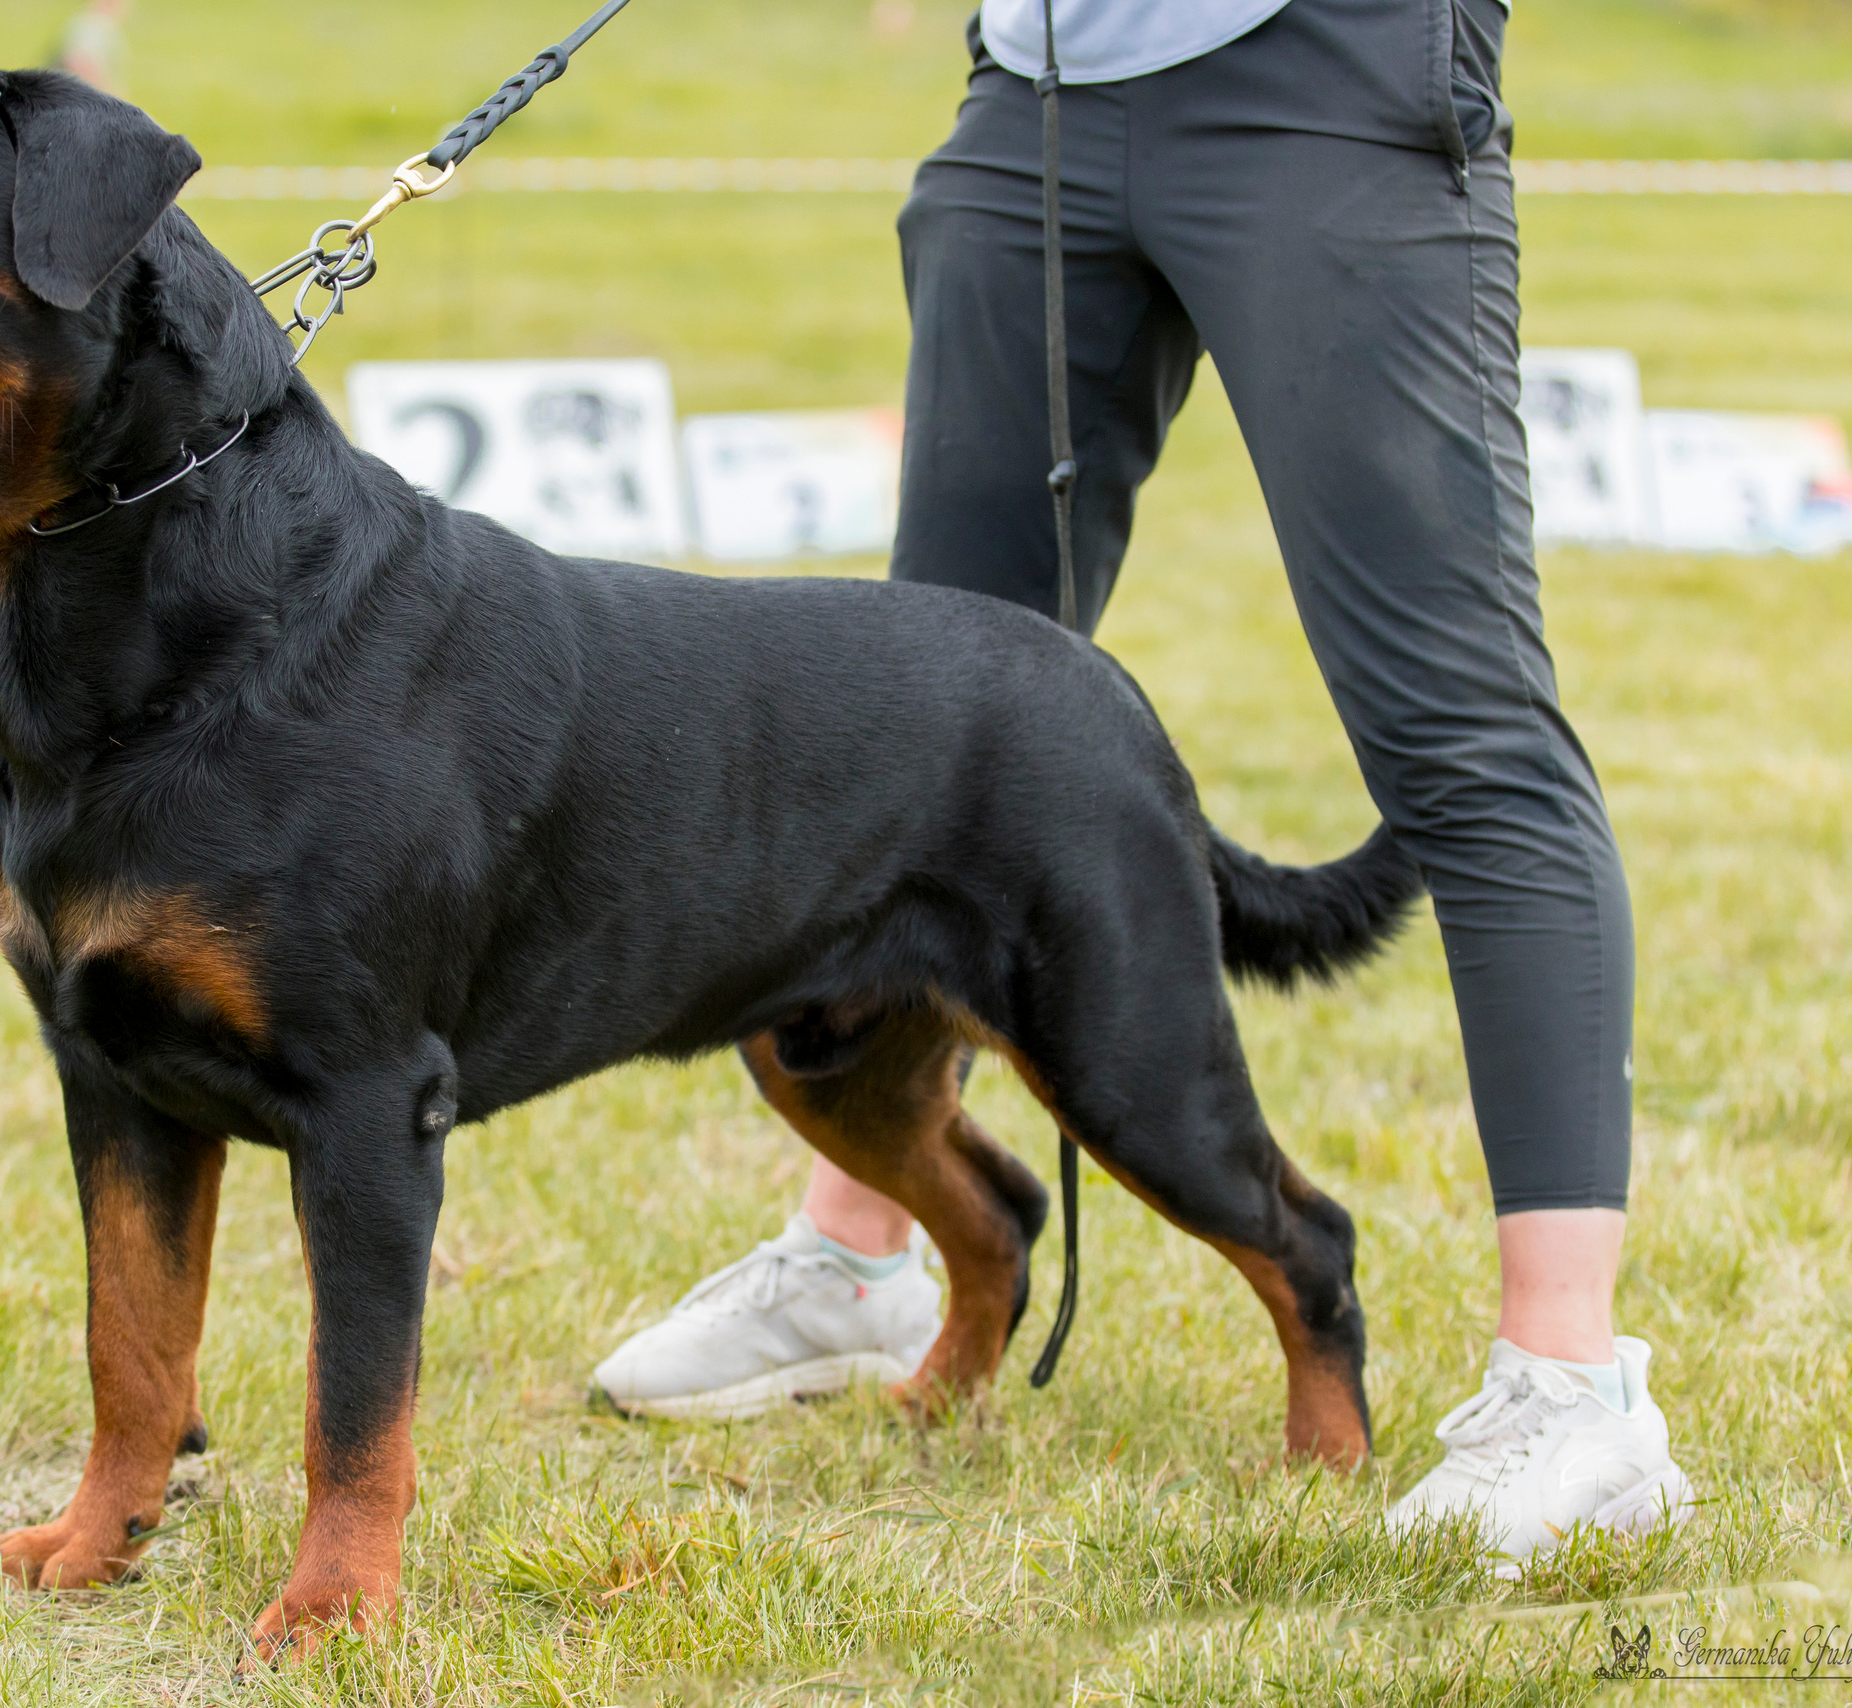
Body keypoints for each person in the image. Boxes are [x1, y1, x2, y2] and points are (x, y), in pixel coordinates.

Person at [591, 0, 1695, 1563]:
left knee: (1464, 732)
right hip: (1040, 79)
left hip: (1325, 67)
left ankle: (1576, 1392)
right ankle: (862, 1255)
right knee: (914, 731)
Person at [54, 0, 132, 99]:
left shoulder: (99, 26)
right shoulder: (95, 28)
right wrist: (108, 94)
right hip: (83, 99)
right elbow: (81, 62)